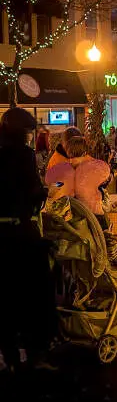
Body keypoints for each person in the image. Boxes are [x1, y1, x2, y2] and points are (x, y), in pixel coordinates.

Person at [0, 108, 54, 372]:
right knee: (34, 293)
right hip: (20, 233)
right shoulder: (23, 155)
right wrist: (41, 192)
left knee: (5, 296)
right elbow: (31, 191)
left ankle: (8, 353)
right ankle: (35, 352)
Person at [45, 136, 111, 224]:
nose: (71, 161)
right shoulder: (75, 169)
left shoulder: (94, 169)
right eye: (69, 157)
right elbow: (63, 183)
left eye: (74, 157)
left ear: (84, 154)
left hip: (94, 215)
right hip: (79, 215)